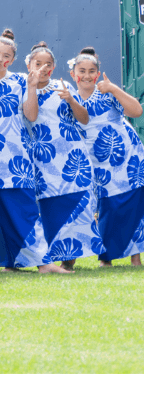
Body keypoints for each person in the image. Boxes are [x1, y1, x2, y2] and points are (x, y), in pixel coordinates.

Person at [0, 29, 69, 273]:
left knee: (25, 207)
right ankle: (10, 263)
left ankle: (44, 262)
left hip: (18, 154)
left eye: (6, 56)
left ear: (13, 59)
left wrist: (32, 87)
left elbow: (31, 115)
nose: (0, 59)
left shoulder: (20, 81)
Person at [23, 42, 101, 270]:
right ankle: (54, 258)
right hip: (43, 158)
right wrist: (32, 87)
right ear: (29, 65)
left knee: (75, 202)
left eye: (48, 64)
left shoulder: (62, 86)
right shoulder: (24, 88)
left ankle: (69, 260)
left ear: (54, 67)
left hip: (72, 153)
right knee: (51, 205)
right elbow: (31, 116)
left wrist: (71, 99)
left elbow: (84, 118)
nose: (43, 68)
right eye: (38, 63)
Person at [71, 47, 144, 266]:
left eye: (91, 71)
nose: (86, 75)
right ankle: (107, 258)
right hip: (97, 162)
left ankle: (136, 257)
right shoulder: (69, 99)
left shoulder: (107, 93)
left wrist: (113, 88)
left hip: (128, 156)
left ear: (97, 73)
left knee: (133, 204)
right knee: (108, 207)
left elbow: (136, 111)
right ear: (73, 74)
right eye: (82, 71)